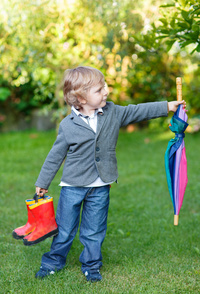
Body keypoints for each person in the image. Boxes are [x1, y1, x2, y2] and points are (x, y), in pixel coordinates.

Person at [35, 66, 186, 282]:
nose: (106, 91)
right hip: (72, 186)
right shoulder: (67, 126)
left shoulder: (113, 112)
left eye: (104, 86)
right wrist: (43, 182)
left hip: (101, 185)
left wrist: (168, 106)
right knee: (65, 229)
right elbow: (55, 156)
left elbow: (137, 111)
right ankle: (52, 262)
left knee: (94, 230)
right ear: (81, 98)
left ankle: (91, 266)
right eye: (99, 89)